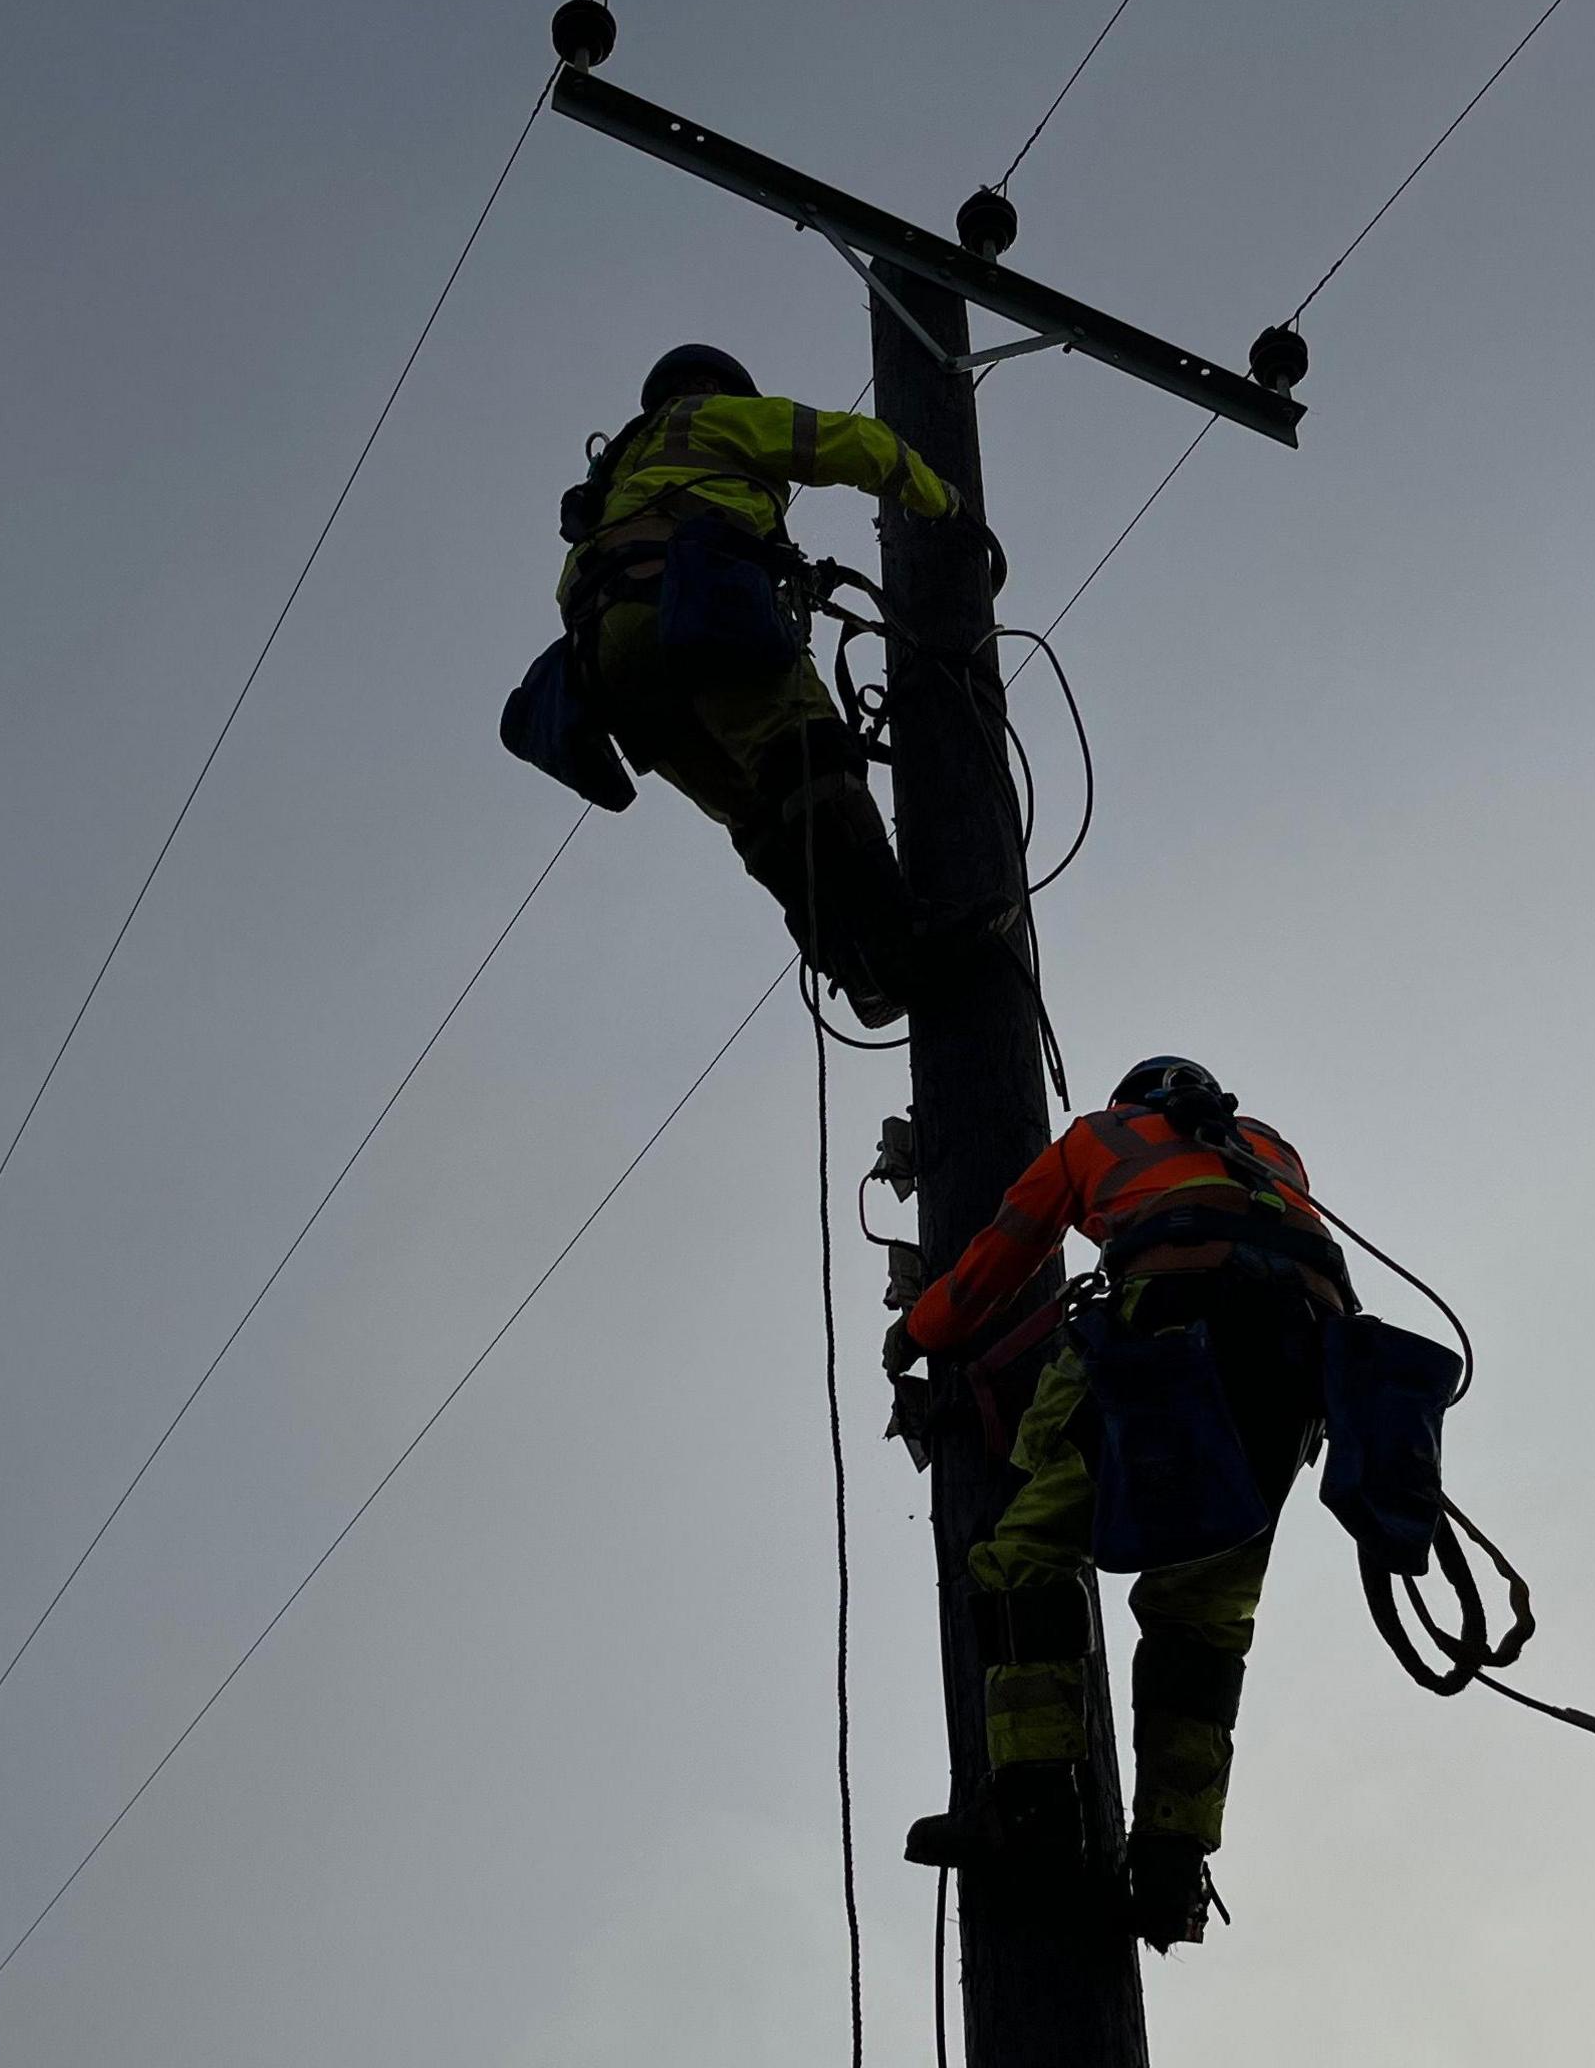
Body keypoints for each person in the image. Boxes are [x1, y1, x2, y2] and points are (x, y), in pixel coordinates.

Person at [890, 1055, 1354, 1951]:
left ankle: (1030, 1809)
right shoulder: (1269, 1153)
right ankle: (1171, 1869)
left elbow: (997, 1261)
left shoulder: (1098, 1138)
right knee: (1203, 1618)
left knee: (1023, 1552)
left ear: (1128, 1100)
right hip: (1294, 1376)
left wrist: (917, 1331)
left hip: (1166, 1331)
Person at [546, 343, 962, 1023]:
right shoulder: (708, 418)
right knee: (808, 755)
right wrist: (942, 504)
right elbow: (847, 441)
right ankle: (903, 939)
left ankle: (860, 972)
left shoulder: (614, 477)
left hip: (607, 667)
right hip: (693, 607)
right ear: (710, 385)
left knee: (762, 816)